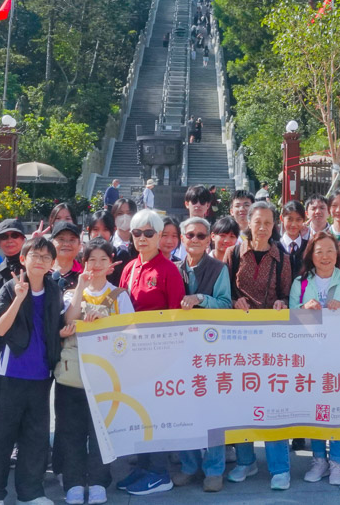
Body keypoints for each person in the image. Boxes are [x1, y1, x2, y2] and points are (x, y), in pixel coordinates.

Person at [0, 236, 65, 505]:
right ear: (23, 259)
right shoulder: (9, 288)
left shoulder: (53, 290)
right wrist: (18, 299)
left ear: (52, 263)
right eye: (34, 256)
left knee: (35, 439)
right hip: (10, 375)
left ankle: (31, 493)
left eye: (45, 257)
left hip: (41, 377)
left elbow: (54, 328)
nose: (39, 261)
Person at [115, 210, 186, 495]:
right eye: (136, 233)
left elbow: (176, 315)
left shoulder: (168, 270)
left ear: (159, 236)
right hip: (131, 354)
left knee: (155, 414)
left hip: (158, 354)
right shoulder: (129, 267)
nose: (142, 238)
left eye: (148, 233)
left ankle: (159, 473)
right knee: (139, 414)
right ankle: (143, 468)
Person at [58, 241, 134, 505]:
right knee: (71, 431)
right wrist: (80, 285)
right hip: (73, 375)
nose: (97, 265)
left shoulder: (120, 295)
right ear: (84, 262)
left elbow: (129, 333)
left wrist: (105, 326)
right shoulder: (71, 293)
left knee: (101, 431)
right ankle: (74, 482)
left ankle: (100, 480)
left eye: (103, 259)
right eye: (92, 259)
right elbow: (69, 320)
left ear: (111, 262)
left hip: (106, 374)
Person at [225, 202, 293, 490]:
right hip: (239, 337)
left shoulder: (282, 257)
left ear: (274, 224)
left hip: (271, 337)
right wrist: (233, 301)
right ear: (248, 223)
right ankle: (245, 460)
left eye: (268, 222)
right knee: (240, 399)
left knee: (273, 401)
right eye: (257, 222)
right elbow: (224, 290)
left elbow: (290, 295)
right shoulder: (234, 253)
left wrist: (282, 303)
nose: (263, 227)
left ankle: (280, 467)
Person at [290, 232, 340, 486]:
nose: (325, 256)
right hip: (311, 357)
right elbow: (289, 318)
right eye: (319, 251)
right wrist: (303, 311)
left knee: (338, 410)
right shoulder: (300, 282)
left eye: (330, 250)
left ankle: (337, 463)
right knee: (316, 410)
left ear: (337, 254)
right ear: (311, 255)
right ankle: (319, 460)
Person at [172, 218, 232, 491]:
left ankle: (214, 469)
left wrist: (200, 299)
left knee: (213, 412)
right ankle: (189, 465)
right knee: (183, 408)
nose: (194, 239)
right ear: (182, 239)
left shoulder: (219, 268)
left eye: (200, 235)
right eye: (190, 235)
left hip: (211, 350)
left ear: (209, 240)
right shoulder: (175, 269)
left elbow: (225, 304)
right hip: (181, 350)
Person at [0, 219, 28, 286]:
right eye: (4, 237)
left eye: (14, 235)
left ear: (23, 239)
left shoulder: (33, 268)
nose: (10, 240)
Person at [277, 200, 309, 276]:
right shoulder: (275, 247)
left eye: (298, 220)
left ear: (304, 219)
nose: (294, 224)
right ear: (282, 218)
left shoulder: (308, 247)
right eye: (290, 219)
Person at [50, 221, 85, 289]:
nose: (66, 244)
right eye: (61, 239)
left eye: (72, 240)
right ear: (51, 244)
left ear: (80, 245)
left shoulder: (84, 273)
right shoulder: (42, 271)